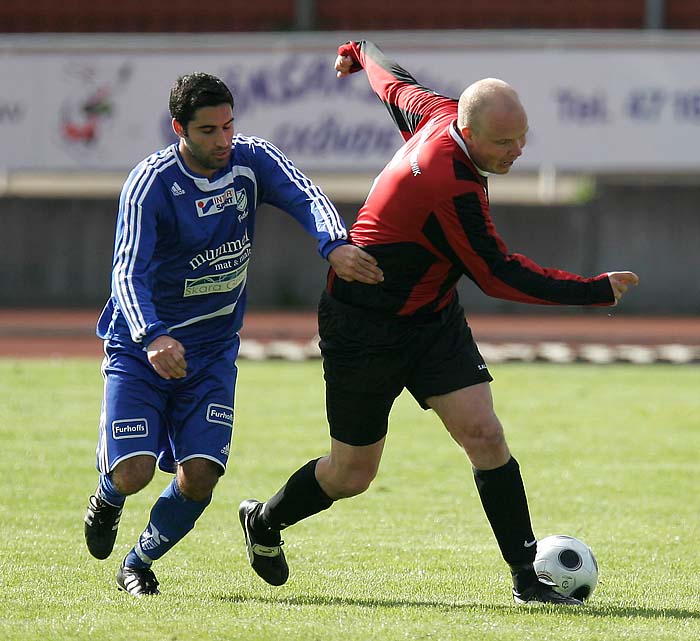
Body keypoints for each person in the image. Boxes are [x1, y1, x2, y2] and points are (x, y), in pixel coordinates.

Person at [237, 41, 639, 605]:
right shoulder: (449, 184)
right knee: (352, 473)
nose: (517, 150)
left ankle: (526, 577)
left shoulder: (442, 113)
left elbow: (393, 83)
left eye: (522, 137)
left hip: (431, 319)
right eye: (504, 142)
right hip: (364, 327)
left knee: (484, 433)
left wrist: (360, 51)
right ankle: (266, 519)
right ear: (470, 134)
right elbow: (498, 275)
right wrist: (593, 291)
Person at [83, 72, 384, 596]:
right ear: (178, 128)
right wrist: (153, 335)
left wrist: (332, 243)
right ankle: (108, 498)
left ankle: (137, 563)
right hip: (143, 350)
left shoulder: (251, 159)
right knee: (133, 472)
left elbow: (304, 194)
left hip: (213, 351)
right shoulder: (150, 183)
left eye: (228, 126)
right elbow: (125, 273)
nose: (222, 140)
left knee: (201, 473)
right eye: (207, 131)